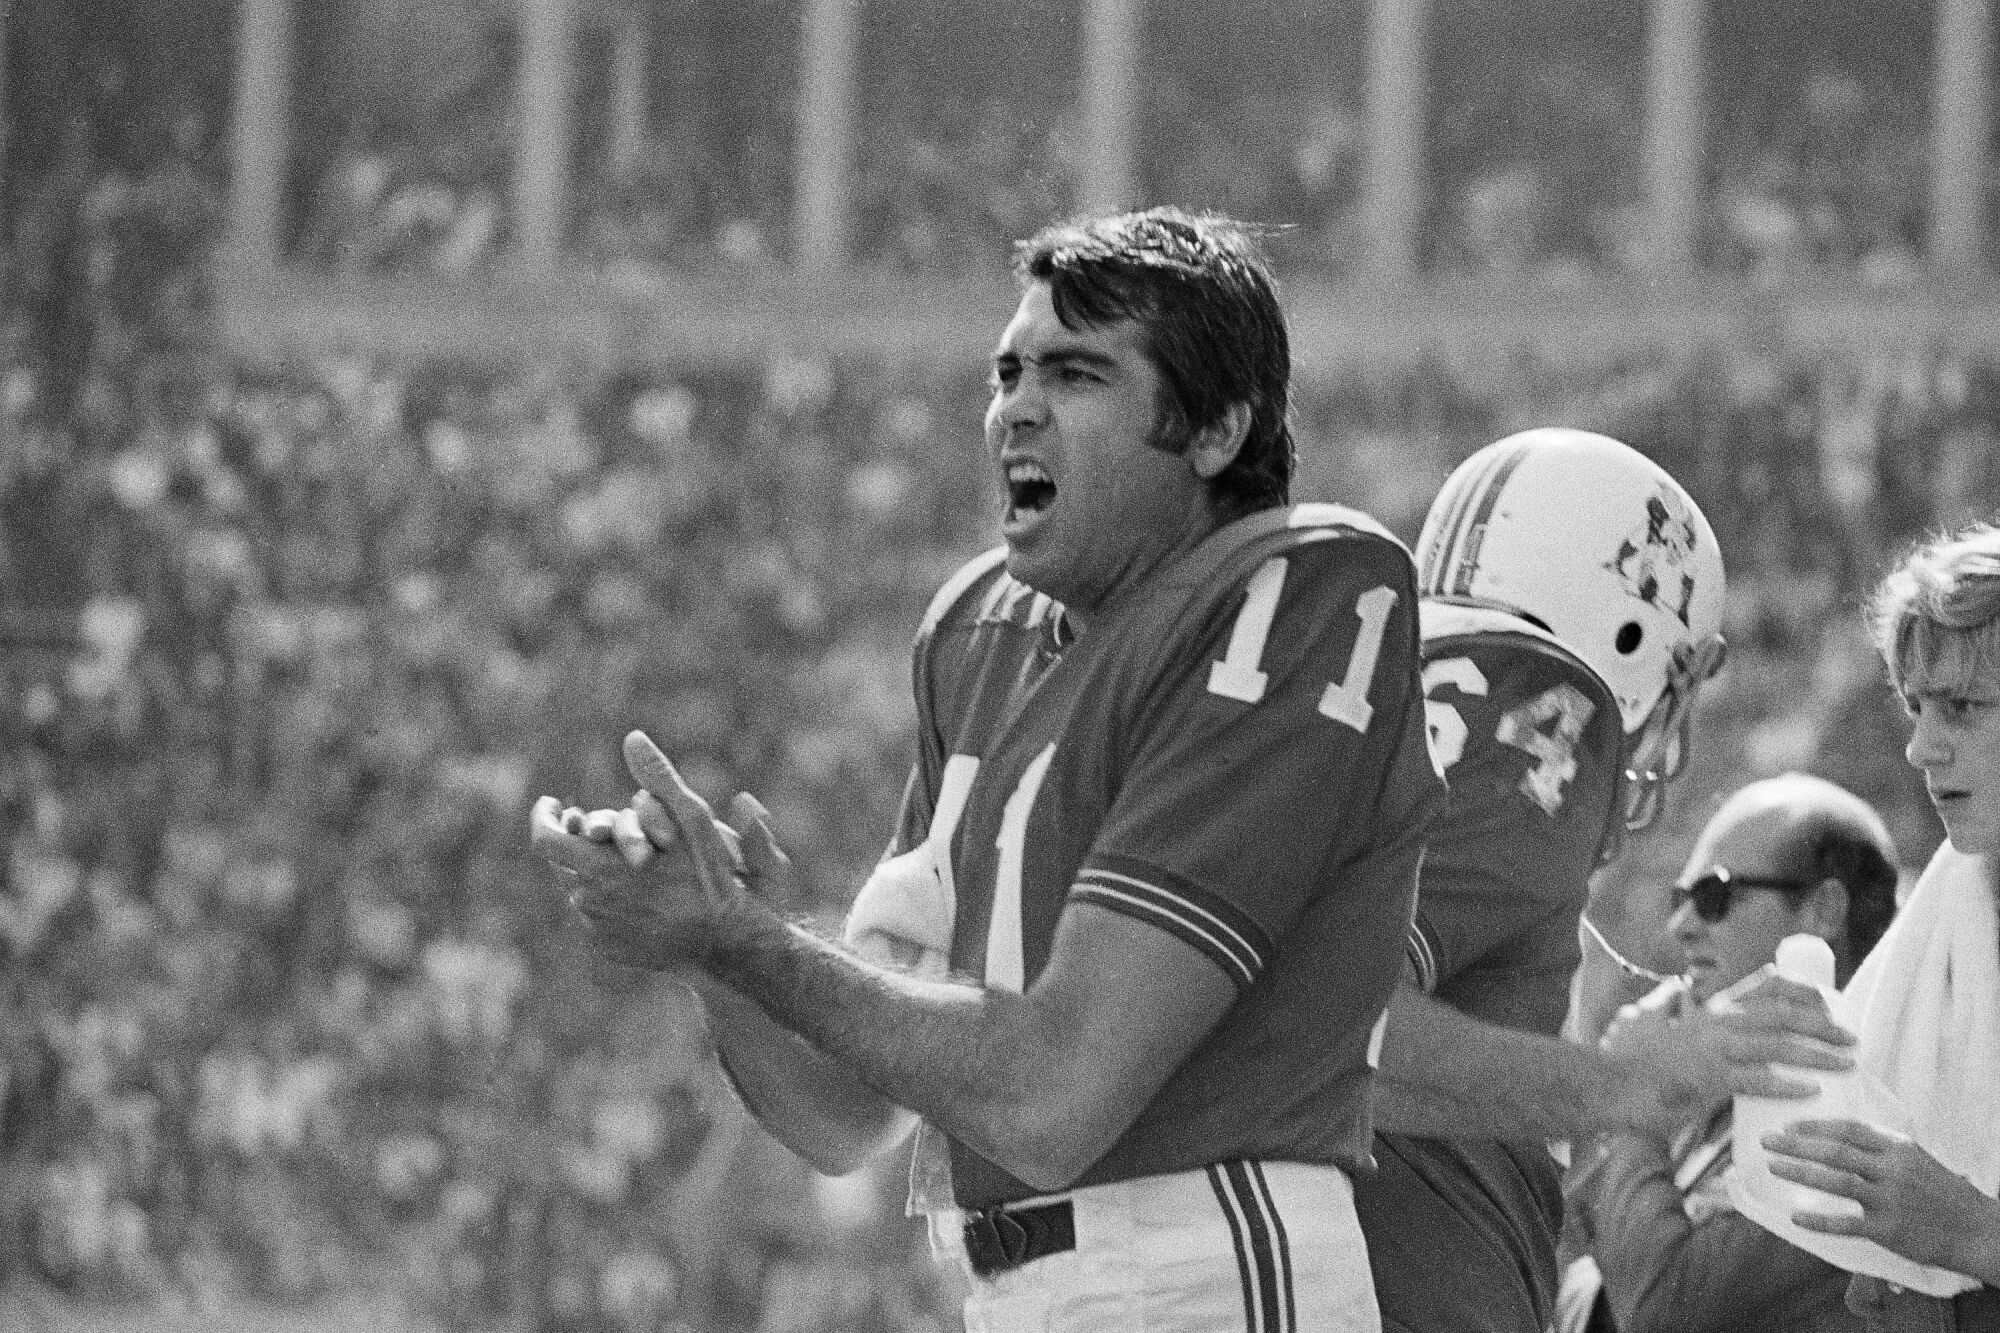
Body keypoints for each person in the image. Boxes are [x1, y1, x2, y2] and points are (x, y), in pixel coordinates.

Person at [532, 207, 1448, 1331]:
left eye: (1074, 374)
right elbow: (841, 1117)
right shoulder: (980, 634)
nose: (1016, 406)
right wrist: (717, 951)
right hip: (1016, 1287)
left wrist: (746, 938)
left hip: (1203, 1261)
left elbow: (1054, 1098)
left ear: (1215, 430)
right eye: (1006, 371)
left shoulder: (1292, 593)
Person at [1350, 428, 1860, 1333]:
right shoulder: (1542, 701)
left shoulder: (1391, 690)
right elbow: (1331, 1022)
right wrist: (1626, 1080)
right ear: (1626, 627)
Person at [1758, 521, 2000, 1329]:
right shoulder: (1955, 901)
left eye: (1963, 707)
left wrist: (1973, 1233)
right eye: (1917, 706)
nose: (1922, 747)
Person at [1558, 772, 1901, 1333]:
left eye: (1713, 895)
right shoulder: (1723, 1097)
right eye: (1679, 898)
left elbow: (1671, 1313)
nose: (1680, 926)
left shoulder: (1848, 1102)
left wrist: (1630, 1095)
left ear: (1823, 911)